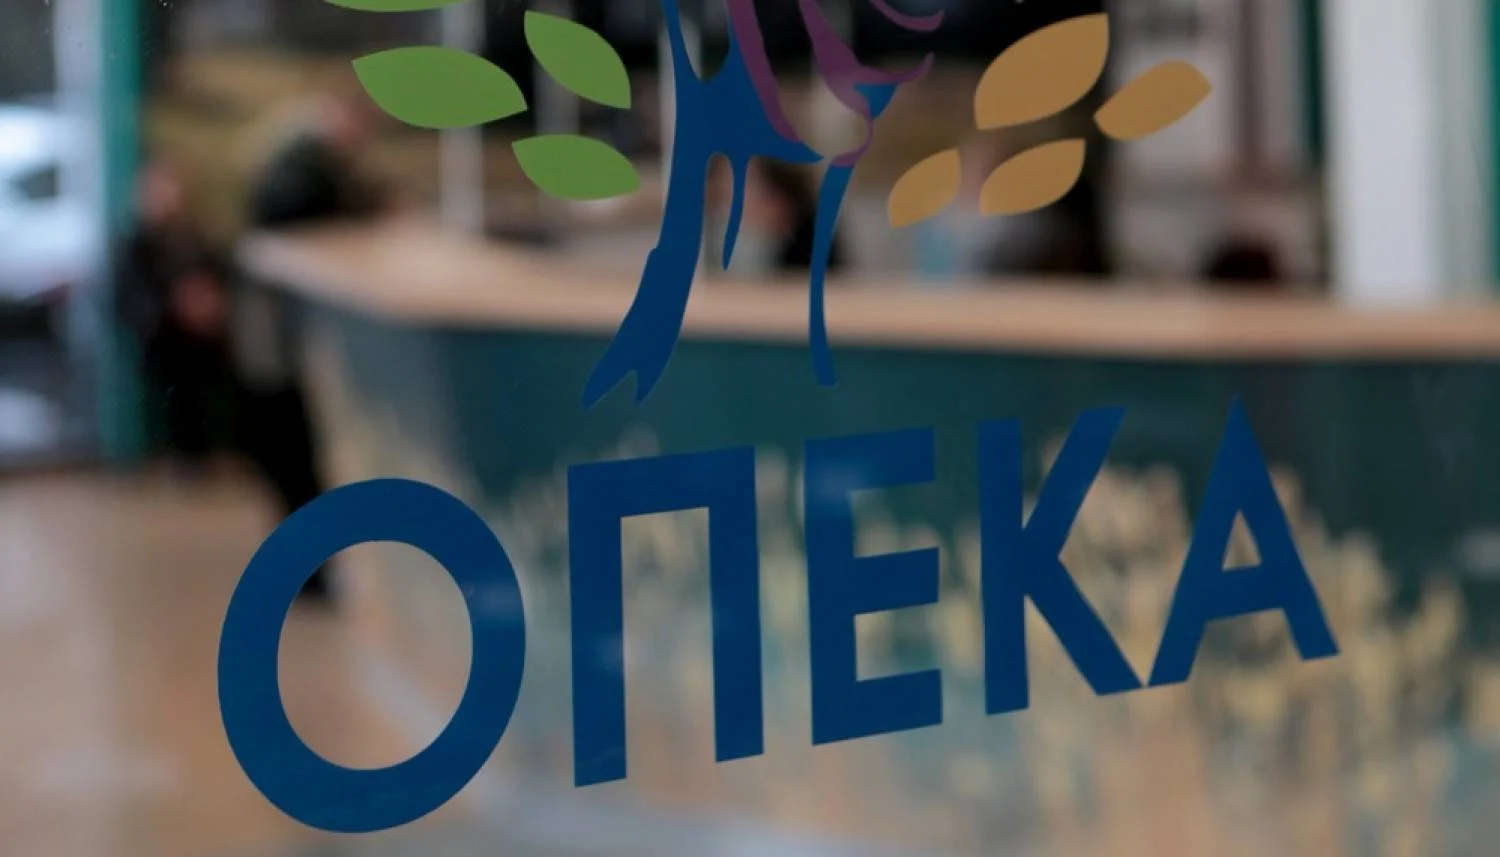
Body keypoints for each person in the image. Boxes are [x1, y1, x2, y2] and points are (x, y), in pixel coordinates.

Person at [236, 89, 389, 604]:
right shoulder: (300, 171)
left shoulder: (309, 167)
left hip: (279, 345)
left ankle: (310, 568)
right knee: (294, 460)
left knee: (296, 461)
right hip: (276, 347)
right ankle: (307, 570)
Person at [114, 160, 236, 472]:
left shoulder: (193, 236)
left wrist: (209, 302)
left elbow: (216, 273)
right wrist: (177, 307)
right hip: (165, 338)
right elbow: (132, 297)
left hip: (202, 335)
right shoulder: (137, 242)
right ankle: (185, 457)